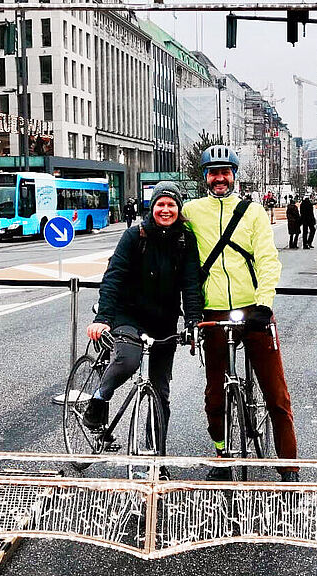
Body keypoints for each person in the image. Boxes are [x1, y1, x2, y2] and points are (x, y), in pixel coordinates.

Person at [182, 144, 299, 483]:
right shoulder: (192, 211)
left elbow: (267, 259)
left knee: (277, 395)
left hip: (253, 311)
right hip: (214, 312)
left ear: (234, 175)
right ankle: (220, 453)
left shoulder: (253, 212)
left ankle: (289, 468)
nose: (220, 177)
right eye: (213, 172)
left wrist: (265, 304)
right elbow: (167, 232)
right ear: (205, 177)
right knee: (214, 394)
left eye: (225, 172)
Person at [83, 181, 204, 471]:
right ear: (152, 207)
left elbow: (190, 284)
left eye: (171, 205)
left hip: (164, 321)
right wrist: (103, 319)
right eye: (160, 204)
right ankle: (100, 398)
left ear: (178, 209)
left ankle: (157, 458)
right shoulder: (133, 235)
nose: (165, 209)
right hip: (129, 315)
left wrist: (192, 321)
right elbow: (114, 278)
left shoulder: (185, 240)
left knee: (161, 393)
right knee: (127, 360)